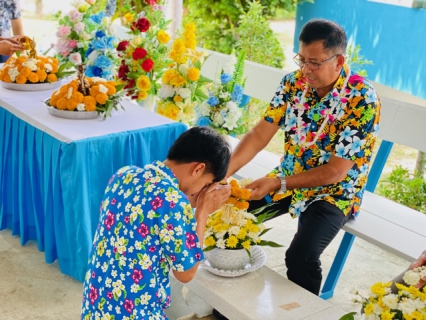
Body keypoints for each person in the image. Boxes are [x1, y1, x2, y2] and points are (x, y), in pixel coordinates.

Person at [227, 19, 381, 296]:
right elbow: (259, 135)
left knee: (301, 255)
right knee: (232, 219)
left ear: (338, 60)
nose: (306, 70)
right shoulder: (292, 83)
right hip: (288, 173)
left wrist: (278, 184)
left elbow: (335, 172)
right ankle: (230, 307)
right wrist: (224, 173)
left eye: (315, 62)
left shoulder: (361, 99)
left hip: (334, 192)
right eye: (302, 60)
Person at [81, 127, 232, 320]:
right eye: (205, 184)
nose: (201, 190)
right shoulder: (173, 201)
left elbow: (152, 210)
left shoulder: (123, 175)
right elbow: (186, 273)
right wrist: (202, 213)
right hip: (135, 311)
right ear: (198, 168)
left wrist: (194, 199)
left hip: (96, 302)